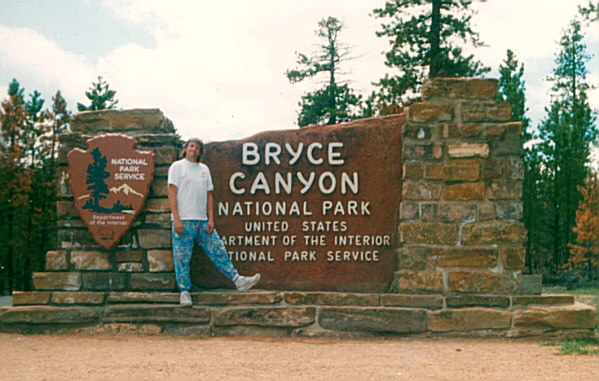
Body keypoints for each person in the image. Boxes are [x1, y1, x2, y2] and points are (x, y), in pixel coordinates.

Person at [168, 138, 260, 306]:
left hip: (202, 221)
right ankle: (184, 292)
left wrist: (211, 218)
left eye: (196, 147)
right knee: (182, 257)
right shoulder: (177, 167)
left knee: (218, 250)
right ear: (186, 148)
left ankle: (238, 280)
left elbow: (209, 195)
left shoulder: (204, 169)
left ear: (200, 152)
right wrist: (176, 218)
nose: (193, 149)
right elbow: (172, 193)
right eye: (191, 146)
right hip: (183, 220)